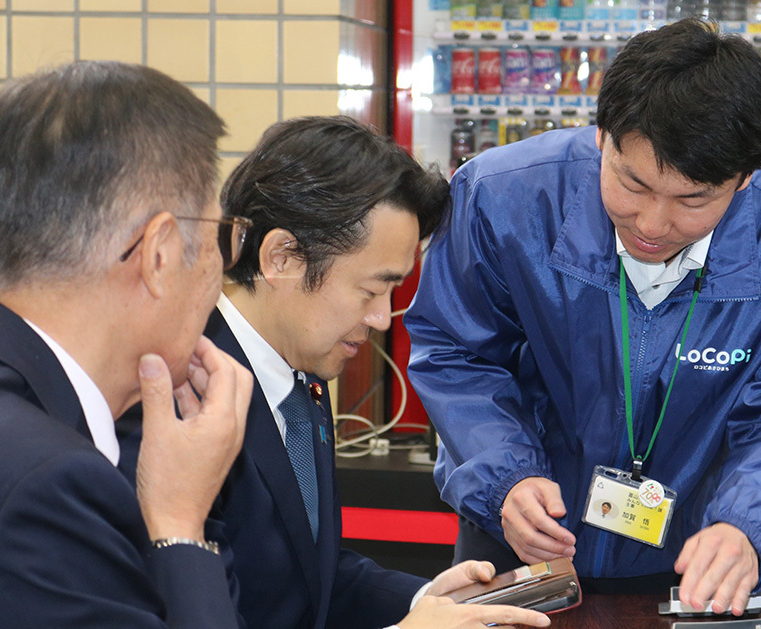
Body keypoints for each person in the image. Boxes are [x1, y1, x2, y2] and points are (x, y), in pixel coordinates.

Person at [404, 17, 761, 617]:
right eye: (632, 184)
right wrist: (504, 478)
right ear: (602, 137)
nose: (651, 224)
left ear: (747, 178)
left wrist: (750, 526)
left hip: (696, 556)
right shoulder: (502, 200)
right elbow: (457, 352)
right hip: (522, 537)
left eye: (693, 200)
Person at [120, 115, 551, 629]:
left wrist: (425, 602)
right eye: (371, 291)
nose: (381, 318)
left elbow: (315, 579)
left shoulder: (302, 382)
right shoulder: (180, 396)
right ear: (282, 257)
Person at [0, 61, 252, 627]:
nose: (221, 265)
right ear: (158, 254)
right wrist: (179, 524)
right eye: (219, 236)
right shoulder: (46, 487)